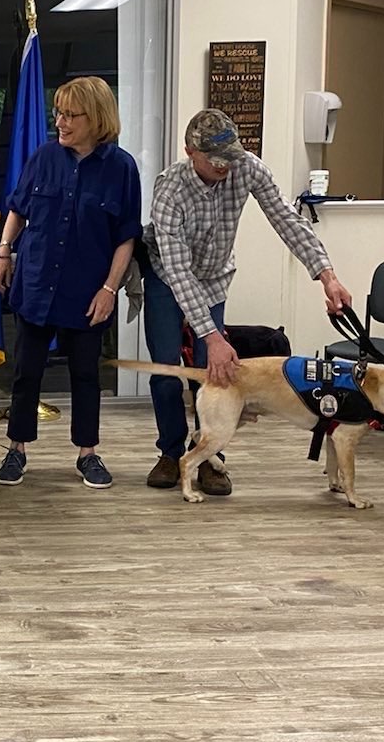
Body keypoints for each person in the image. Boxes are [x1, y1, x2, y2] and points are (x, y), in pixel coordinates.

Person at [140, 108, 352, 495]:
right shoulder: (169, 189)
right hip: (167, 278)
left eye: (230, 157)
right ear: (190, 151)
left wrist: (327, 275)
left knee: (216, 373)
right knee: (167, 368)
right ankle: (170, 453)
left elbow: (288, 220)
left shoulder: (247, 167)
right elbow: (177, 269)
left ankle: (205, 456)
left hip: (215, 277)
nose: (225, 167)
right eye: (214, 159)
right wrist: (212, 335)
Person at [0, 76, 142, 490]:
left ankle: (87, 453)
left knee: (85, 376)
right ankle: (17, 448)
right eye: (58, 112)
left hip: (87, 291)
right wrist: (3, 253)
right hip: (37, 282)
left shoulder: (122, 168)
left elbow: (126, 236)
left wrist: (110, 289)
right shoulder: (43, 158)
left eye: (70, 114)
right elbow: (18, 209)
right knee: (26, 372)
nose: (60, 121)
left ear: (96, 119)